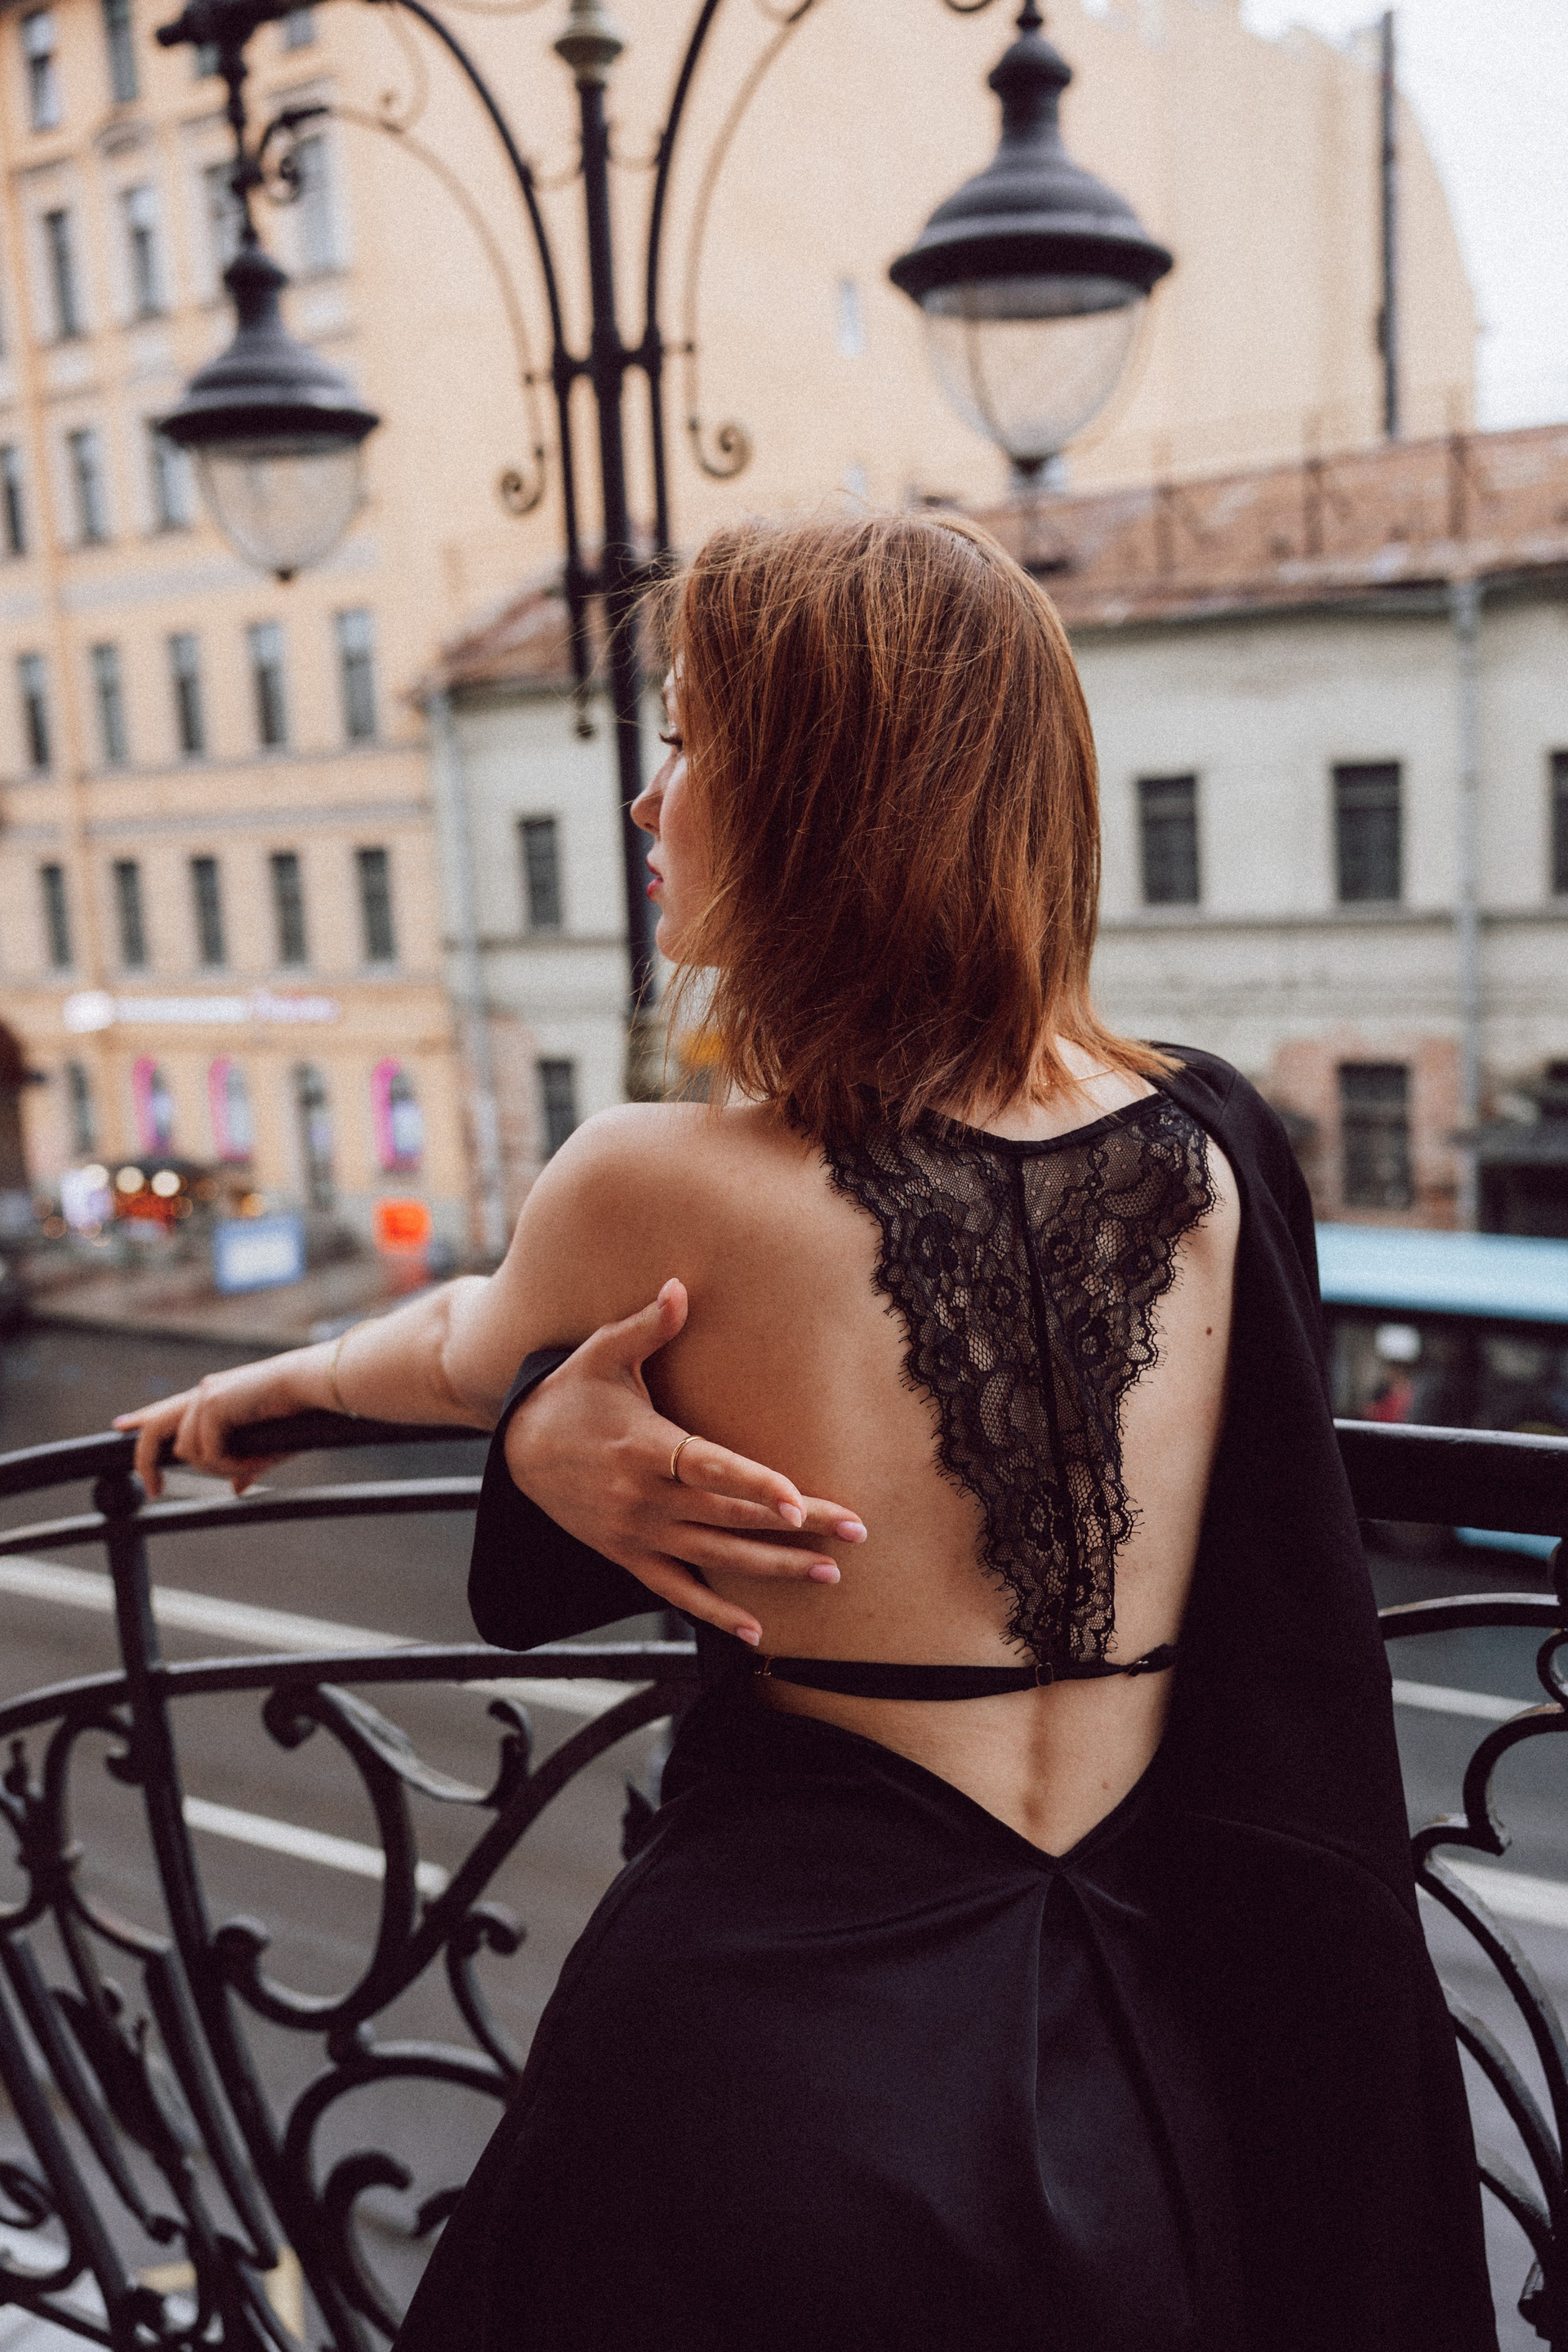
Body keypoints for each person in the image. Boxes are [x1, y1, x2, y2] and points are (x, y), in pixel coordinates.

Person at [120, 511, 1495, 2352]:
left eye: (688, 745)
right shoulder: (1214, 1148)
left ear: (822, 800)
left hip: (772, 2065)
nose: (648, 800)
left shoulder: (651, 1182)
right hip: (1161, 2043)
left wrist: (271, 1391)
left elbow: (457, 1347)